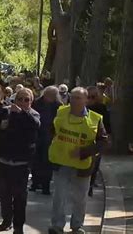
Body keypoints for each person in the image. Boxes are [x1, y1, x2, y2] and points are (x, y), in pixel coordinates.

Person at [48, 87, 108, 234]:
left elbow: (103, 142)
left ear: (86, 100)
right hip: (61, 162)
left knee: (80, 198)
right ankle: (57, 226)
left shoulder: (95, 119)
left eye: (78, 98)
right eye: (72, 97)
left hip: (83, 165)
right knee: (59, 196)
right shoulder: (61, 112)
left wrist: (83, 152)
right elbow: (52, 130)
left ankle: (77, 226)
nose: (74, 101)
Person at [0, 88, 40, 234]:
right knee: (4, 195)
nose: (23, 102)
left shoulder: (33, 114)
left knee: (19, 197)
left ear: (31, 102)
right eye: (20, 99)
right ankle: (6, 220)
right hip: (4, 160)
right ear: (15, 99)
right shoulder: (5, 111)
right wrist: (0, 127)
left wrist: (21, 113)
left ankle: (18, 226)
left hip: (22, 163)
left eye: (27, 100)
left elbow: (35, 125)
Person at [31, 86, 62, 195]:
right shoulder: (36, 103)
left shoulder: (58, 106)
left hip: (50, 136)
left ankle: (46, 185)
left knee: (47, 162)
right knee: (36, 161)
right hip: (37, 135)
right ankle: (35, 183)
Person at [86, 86, 110, 197]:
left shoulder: (101, 108)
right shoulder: (81, 107)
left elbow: (107, 125)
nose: (90, 99)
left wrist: (107, 138)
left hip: (97, 140)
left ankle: (90, 185)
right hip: (83, 139)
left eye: (93, 97)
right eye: (88, 96)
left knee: (95, 165)